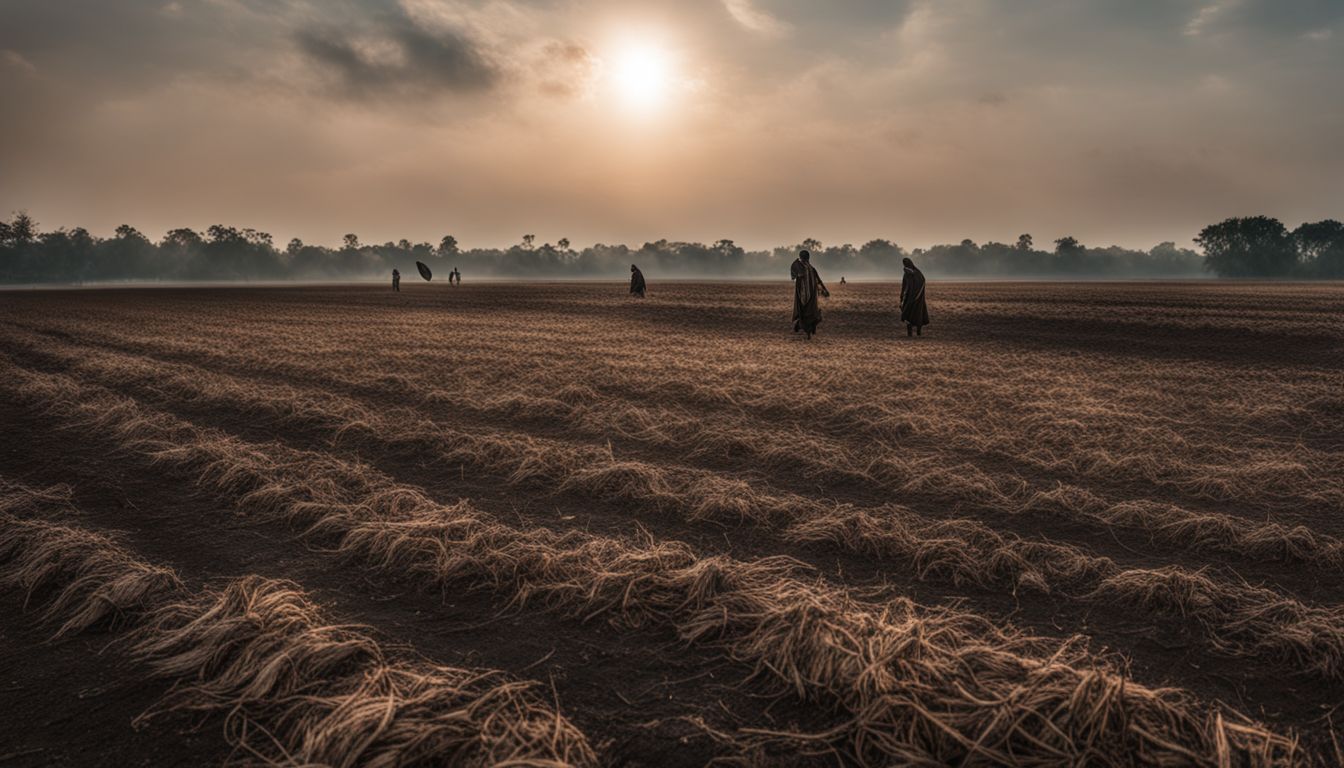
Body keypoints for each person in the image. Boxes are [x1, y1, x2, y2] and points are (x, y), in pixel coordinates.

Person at [791, 250, 828, 339]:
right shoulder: (805, 267)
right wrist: (824, 289)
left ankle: (804, 328)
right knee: (809, 314)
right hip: (807, 296)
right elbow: (818, 280)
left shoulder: (805, 268)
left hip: (807, 296)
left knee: (809, 314)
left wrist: (824, 289)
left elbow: (817, 280)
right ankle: (806, 329)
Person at [900, 257, 930, 336]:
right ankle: (916, 333)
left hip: (913, 298)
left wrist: (903, 296)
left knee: (910, 313)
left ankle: (913, 333)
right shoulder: (917, 272)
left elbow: (905, 286)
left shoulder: (911, 273)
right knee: (916, 313)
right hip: (917, 298)